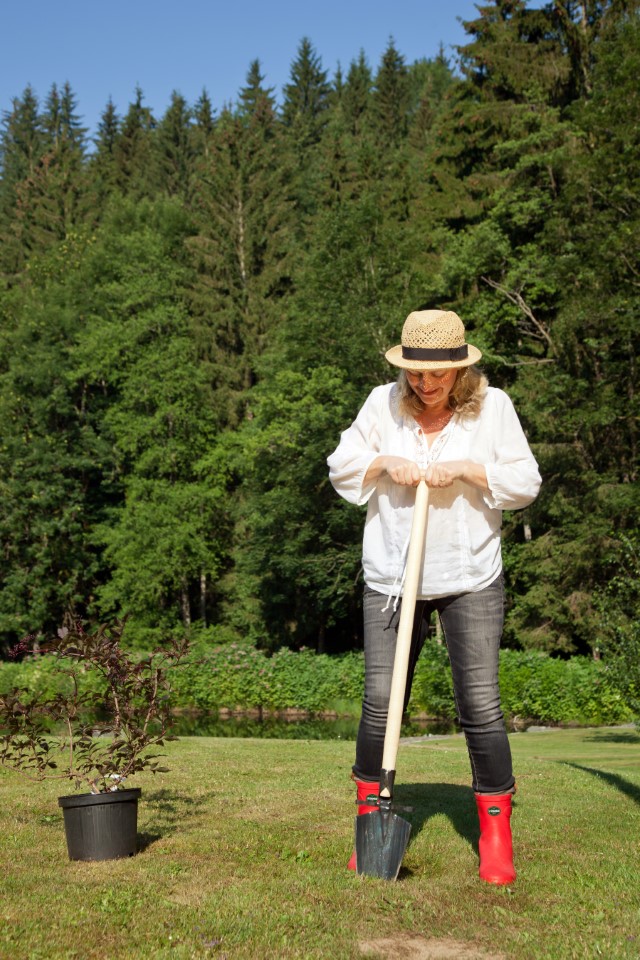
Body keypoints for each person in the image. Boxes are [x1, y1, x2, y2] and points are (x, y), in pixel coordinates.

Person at [327, 309, 541, 885]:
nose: (425, 385)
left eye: (436, 375)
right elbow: (341, 465)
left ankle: (496, 834)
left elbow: (525, 482)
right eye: (416, 374)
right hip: (394, 576)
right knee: (381, 702)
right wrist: (381, 461)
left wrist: (471, 469)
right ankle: (369, 821)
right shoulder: (382, 405)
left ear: (460, 370)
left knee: (480, 704)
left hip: (469, 573)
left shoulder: (493, 409)